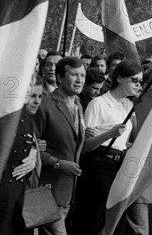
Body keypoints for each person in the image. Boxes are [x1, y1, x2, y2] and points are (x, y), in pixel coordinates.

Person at [72, 60, 142, 235]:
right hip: (99, 164)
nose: (138, 85)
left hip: (119, 166)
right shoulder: (98, 104)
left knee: (112, 220)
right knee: (92, 216)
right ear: (119, 78)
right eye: (134, 80)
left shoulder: (128, 105)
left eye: (140, 81)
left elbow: (126, 140)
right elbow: (85, 146)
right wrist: (108, 134)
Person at [33, 57, 86, 235]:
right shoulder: (45, 104)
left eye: (82, 75)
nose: (79, 80)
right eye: (74, 75)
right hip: (44, 189)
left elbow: (77, 146)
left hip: (67, 192)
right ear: (60, 77)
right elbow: (29, 146)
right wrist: (57, 163)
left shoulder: (79, 106)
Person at [0, 75, 42, 235]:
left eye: (40, 96)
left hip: (18, 198)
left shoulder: (27, 122)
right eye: (32, 95)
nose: (37, 101)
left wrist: (33, 156)